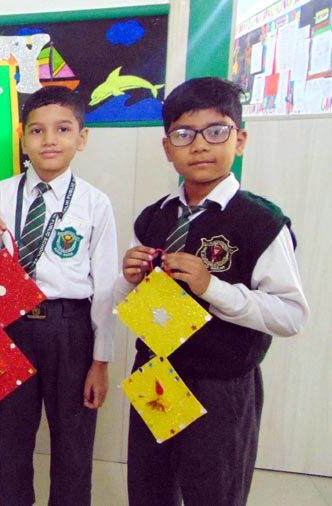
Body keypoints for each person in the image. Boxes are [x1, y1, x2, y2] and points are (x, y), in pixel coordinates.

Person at [116, 77, 309, 506]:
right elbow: (130, 303)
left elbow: (291, 315)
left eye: (216, 131)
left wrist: (212, 288)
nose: (200, 145)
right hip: (156, 376)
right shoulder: (153, 217)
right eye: (184, 134)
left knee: (214, 493)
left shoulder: (261, 222)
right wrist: (127, 279)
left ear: (239, 140)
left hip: (220, 385)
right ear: (168, 148)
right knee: (149, 489)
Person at [0, 86, 118, 506]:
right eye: (37, 130)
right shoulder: (1, 194)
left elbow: (106, 286)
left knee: (73, 441)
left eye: (63, 129)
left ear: (82, 138)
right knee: (8, 437)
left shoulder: (95, 204)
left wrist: (101, 361)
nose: (49, 140)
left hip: (69, 329)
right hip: (9, 327)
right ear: (23, 138)